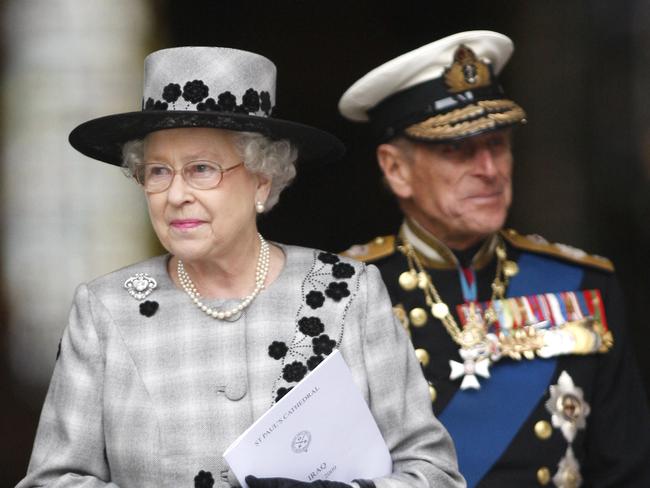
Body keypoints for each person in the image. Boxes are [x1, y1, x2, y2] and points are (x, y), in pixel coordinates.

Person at [17, 47, 465, 488]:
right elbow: (51, 481)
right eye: (157, 172)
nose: (175, 195)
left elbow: (434, 474)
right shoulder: (104, 310)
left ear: (262, 180)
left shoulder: (350, 292)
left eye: (201, 169)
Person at [338, 31, 650, 487]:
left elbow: (626, 470)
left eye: (497, 144)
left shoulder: (581, 283)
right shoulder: (341, 294)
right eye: (457, 150)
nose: (489, 169)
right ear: (396, 169)